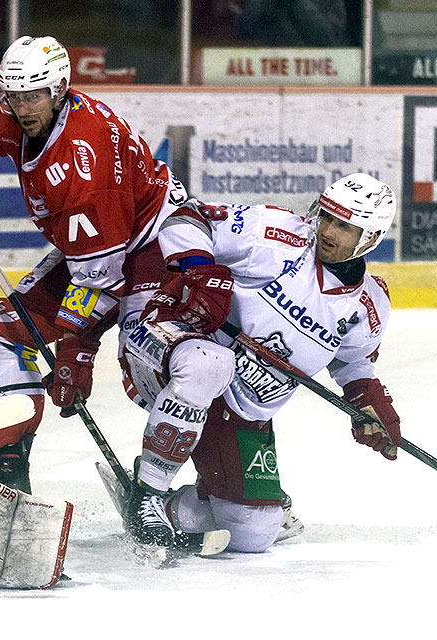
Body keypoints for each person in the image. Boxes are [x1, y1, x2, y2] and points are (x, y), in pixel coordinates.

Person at [0, 35, 189, 493]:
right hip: (94, 247)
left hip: (154, 246)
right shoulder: (5, 104)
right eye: (15, 96)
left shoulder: (86, 169)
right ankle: (10, 468)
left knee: (151, 367)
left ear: (60, 88)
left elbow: (98, 278)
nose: (23, 108)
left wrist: (76, 347)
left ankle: (201, 484)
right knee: (6, 332)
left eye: (33, 96)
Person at [121, 173, 401, 552]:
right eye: (328, 218)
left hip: (240, 406)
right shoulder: (277, 232)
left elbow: (353, 365)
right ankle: (148, 492)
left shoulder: (370, 305)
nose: (328, 231)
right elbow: (188, 217)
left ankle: (180, 507)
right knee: (211, 363)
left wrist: (367, 399)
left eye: (345, 227)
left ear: (370, 237)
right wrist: (203, 273)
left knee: (253, 532)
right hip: (169, 344)